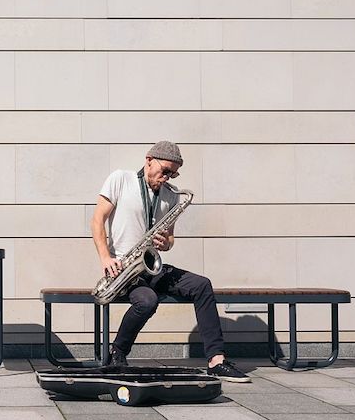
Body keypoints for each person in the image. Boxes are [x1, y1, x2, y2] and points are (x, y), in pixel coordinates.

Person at [91, 141, 250, 382]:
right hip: (125, 268)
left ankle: (216, 360)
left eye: (173, 173)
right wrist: (105, 257)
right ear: (148, 160)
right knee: (147, 301)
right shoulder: (120, 179)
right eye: (164, 170)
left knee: (201, 285)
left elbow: (170, 238)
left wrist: (167, 243)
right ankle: (118, 353)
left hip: (152, 267)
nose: (167, 177)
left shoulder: (171, 196)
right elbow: (97, 220)